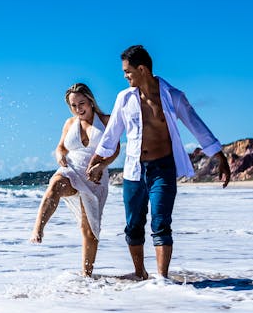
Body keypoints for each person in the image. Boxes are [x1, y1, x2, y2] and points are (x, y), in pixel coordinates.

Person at [87, 45, 231, 281]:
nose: (125, 76)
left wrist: (219, 156)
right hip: (134, 171)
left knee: (161, 222)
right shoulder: (124, 99)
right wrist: (96, 161)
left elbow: (196, 125)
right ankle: (140, 273)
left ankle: (162, 280)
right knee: (133, 226)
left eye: (127, 71)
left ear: (142, 69)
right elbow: (111, 134)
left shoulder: (173, 96)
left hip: (163, 168)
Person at [30, 83, 120, 277]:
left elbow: (115, 149)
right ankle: (39, 228)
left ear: (90, 101)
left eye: (82, 103)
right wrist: (59, 156)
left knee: (89, 229)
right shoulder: (69, 123)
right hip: (72, 168)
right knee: (55, 184)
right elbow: (61, 147)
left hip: (95, 176)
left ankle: (87, 275)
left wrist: (101, 166)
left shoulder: (106, 120)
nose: (78, 109)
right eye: (73, 105)